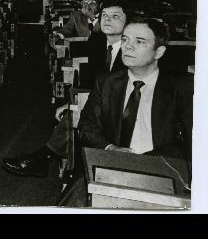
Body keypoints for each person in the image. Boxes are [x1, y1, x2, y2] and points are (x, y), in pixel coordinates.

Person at [1, 1, 130, 177]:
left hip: (126, 108)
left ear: (128, 21)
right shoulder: (97, 41)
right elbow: (91, 82)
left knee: (83, 115)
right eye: (104, 16)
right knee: (75, 112)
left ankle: (48, 159)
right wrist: (71, 102)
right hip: (100, 103)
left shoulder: (132, 48)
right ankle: (62, 165)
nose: (108, 20)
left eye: (115, 16)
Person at [79, 18, 192, 159]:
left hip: (163, 169)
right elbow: (87, 127)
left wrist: (144, 162)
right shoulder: (106, 82)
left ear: (159, 52)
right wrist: (110, 148)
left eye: (139, 41)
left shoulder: (182, 88)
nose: (128, 46)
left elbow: (192, 142)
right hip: (112, 163)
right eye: (125, 40)